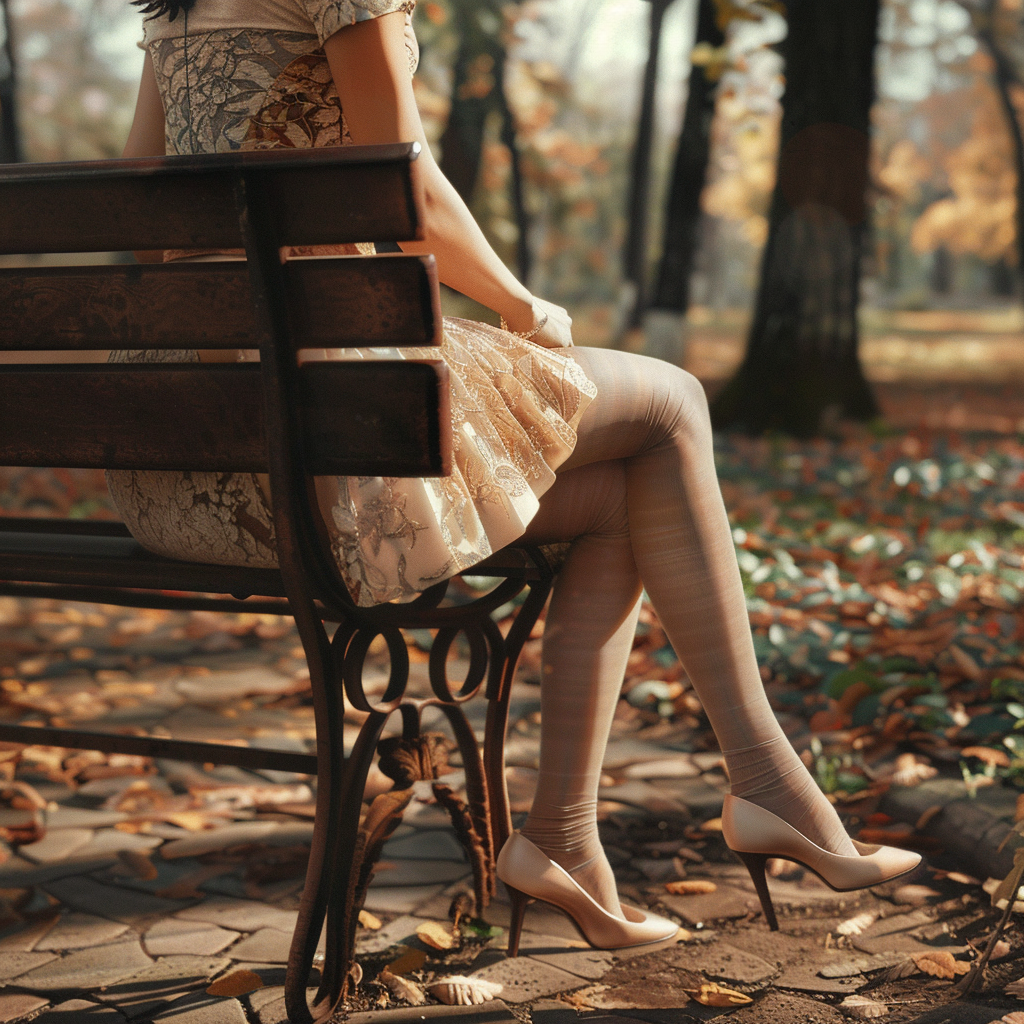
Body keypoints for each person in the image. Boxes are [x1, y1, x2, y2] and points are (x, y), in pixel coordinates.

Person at [116, 0, 921, 954]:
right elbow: (399, 182)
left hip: (194, 484)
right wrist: (523, 302)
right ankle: (764, 781)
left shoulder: (172, 7)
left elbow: (139, 200)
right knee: (672, 407)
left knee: (626, 497)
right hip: (335, 464)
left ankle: (569, 840)